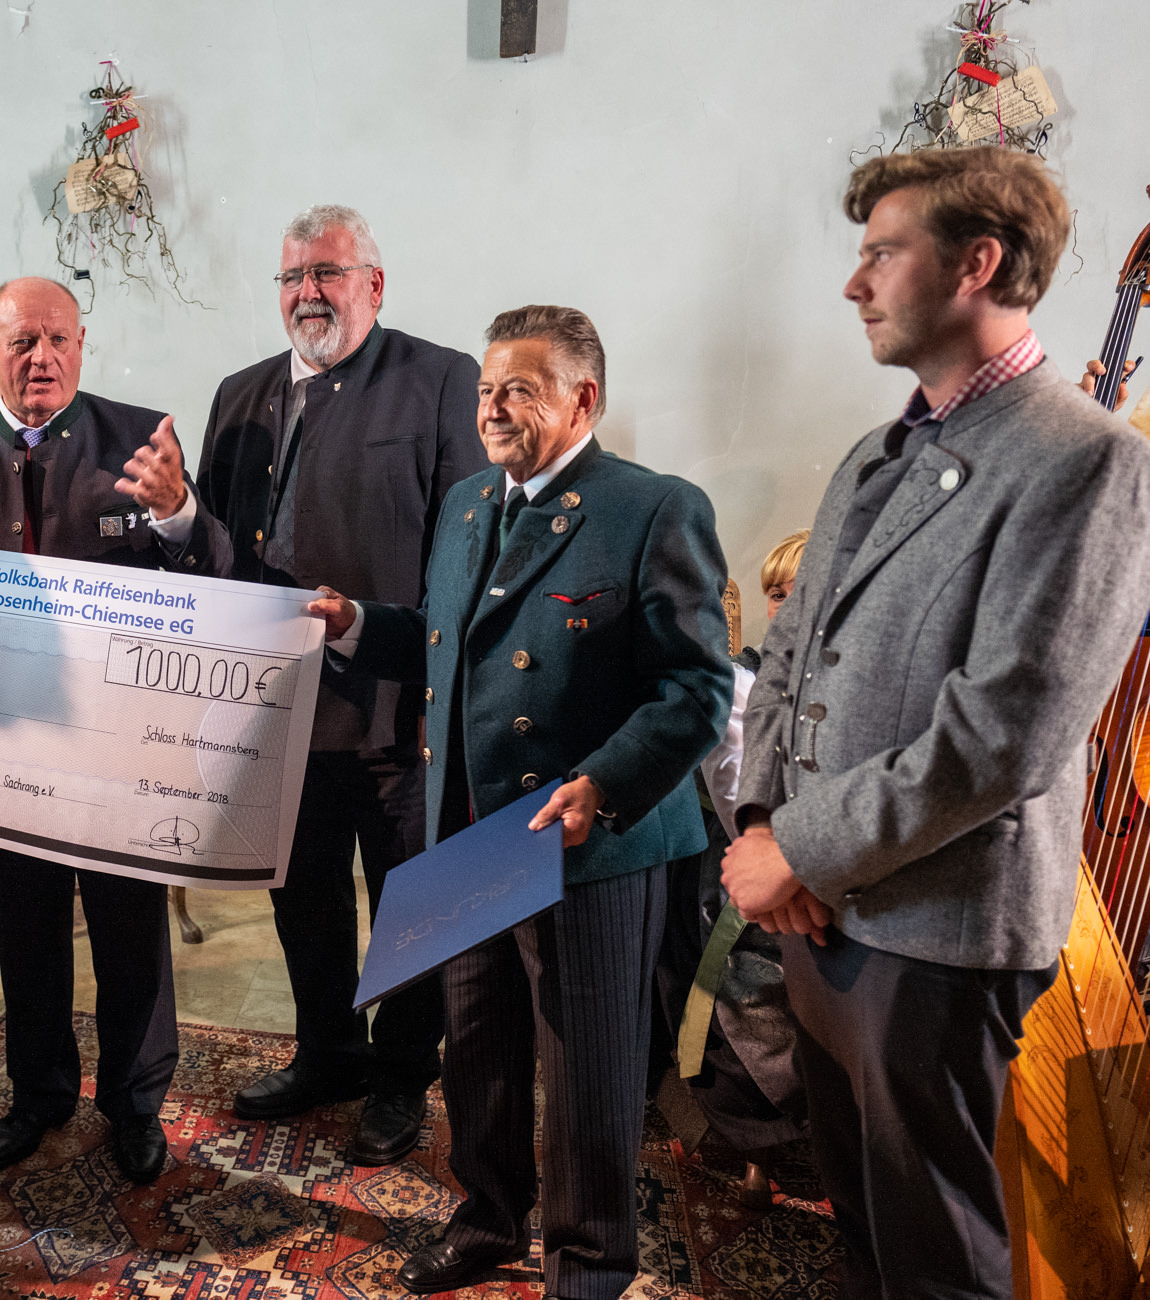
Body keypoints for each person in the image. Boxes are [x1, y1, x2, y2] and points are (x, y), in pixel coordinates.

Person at [725, 147, 1150, 1299]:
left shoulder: (1087, 460)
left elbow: (1002, 736)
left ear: (977, 263)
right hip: (823, 911)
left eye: (881, 252)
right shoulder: (876, 452)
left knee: (936, 1259)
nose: (853, 282)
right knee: (862, 1228)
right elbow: (793, 654)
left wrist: (798, 848)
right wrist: (761, 823)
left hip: (936, 928)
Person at [311, 305, 731, 1297]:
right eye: (487, 389)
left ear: (583, 398)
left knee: (587, 1071)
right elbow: (447, 642)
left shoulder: (654, 508)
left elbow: (695, 689)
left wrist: (604, 784)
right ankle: (490, 1218)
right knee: (480, 1049)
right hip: (472, 831)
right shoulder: (468, 502)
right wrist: (356, 623)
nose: (493, 408)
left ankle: (588, 1263)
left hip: (589, 841)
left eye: (520, 390)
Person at [0, 275, 230, 1184]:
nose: (42, 359)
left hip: (120, 747)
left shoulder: (143, 437)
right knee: (29, 929)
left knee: (129, 932)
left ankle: (135, 1102)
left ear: (82, 344)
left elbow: (211, 575)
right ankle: (37, 1093)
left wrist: (178, 513)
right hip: (2, 746)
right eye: (22, 342)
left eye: (59, 340)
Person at [193, 204, 483, 1163]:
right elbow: (216, 550)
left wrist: (441, 681)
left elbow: (466, 547)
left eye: (327, 273)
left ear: (374, 285)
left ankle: (400, 1078)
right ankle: (328, 1053)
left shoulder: (439, 379)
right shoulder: (239, 393)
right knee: (304, 902)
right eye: (292, 277)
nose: (308, 293)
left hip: (399, 707)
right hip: (278, 712)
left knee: (414, 907)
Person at [652, 530, 811, 1210]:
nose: (785, 606)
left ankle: (790, 1132)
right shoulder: (743, 676)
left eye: (800, 591)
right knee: (715, 973)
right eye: (776, 593)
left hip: (811, 866)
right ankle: (747, 1136)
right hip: (726, 862)